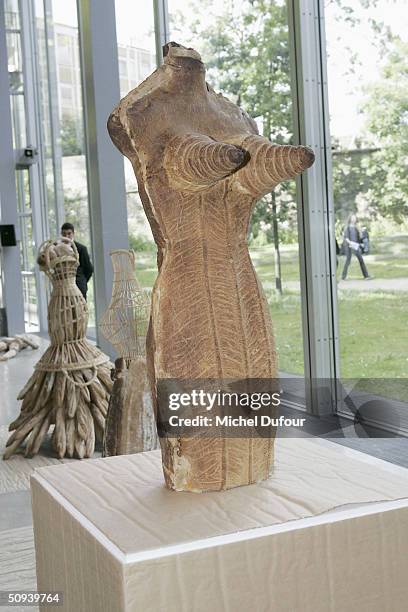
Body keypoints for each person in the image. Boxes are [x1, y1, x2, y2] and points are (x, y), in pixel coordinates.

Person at [60, 222, 94, 299]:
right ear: (61, 234)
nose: (66, 236)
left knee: (80, 310)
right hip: (63, 287)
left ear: (73, 234)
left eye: (69, 233)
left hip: (79, 285)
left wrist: (82, 280)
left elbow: (89, 269)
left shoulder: (81, 248)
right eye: (64, 234)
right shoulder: (58, 249)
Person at [341, 214, 372, 280]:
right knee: (348, 261)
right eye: (352, 218)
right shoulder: (347, 228)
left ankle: (366, 276)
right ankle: (343, 276)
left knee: (361, 260)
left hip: (355, 246)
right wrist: (350, 243)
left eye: (355, 218)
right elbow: (346, 238)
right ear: (350, 219)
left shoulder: (356, 228)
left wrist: (360, 242)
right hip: (349, 246)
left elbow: (359, 238)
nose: (354, 219)